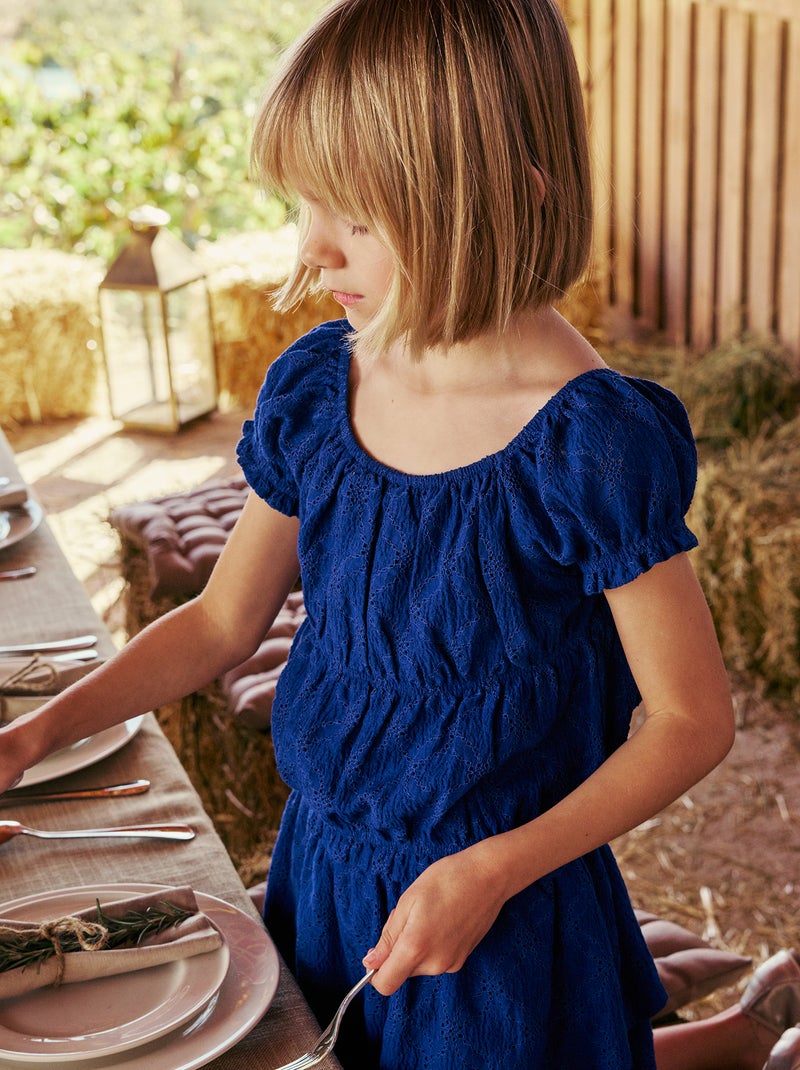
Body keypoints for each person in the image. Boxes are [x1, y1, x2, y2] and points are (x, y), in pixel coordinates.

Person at [0, 0, 737, 1066]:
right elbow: (218, 620)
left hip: (498, 905)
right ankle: (746, 1027)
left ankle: (742, 1032)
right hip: (322, 864)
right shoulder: (318, 383)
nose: (309, 246)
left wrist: (486, 871)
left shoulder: (588, 439)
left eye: (352, 215)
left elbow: (688, 720)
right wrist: (35, 733)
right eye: (306, 203)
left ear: (497, 200)